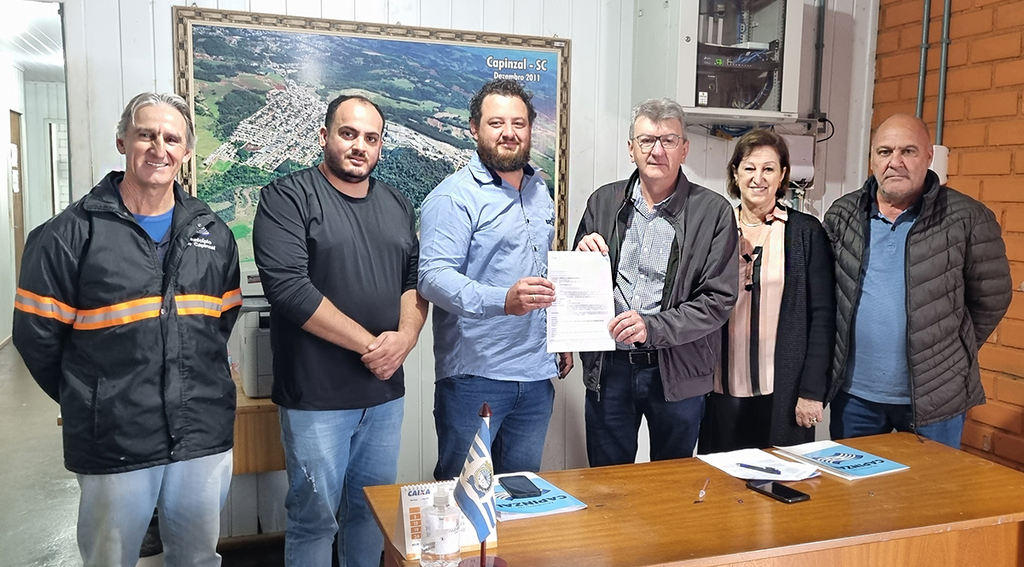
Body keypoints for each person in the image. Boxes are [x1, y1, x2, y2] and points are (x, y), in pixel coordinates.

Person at [13, 92, 240, 567]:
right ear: (122, 141)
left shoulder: (213, 233)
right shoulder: (65, 235)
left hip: (200, 431)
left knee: (198, 558)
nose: (159, 148)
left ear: (186, 151)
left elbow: (219, 324)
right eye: (146, 134)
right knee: (109, 559)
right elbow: (37, 341)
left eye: (172, 138)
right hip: (115, 436)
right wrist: (96, 398)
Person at [252, 95, 427, 567]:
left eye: (371, 138)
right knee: (314, 519)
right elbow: (289, 290)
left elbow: (414, 282)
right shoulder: (285, 198)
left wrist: (406, 339)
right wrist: (374, 345)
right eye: (348, 133)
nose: (359, 146)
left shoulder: (396, 203)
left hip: (384, 394)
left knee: (370, 513)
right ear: (324, 137)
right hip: (317, 396)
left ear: (380, 146)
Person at [824, 113, 1012, 449]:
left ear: (929, 156)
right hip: (855, 396)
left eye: (908, 151)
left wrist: (948, 348)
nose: (895, 162)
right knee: (854, 498)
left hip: (936, 397)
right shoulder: (843, 214)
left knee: (931, 497)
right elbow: (828, 295)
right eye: (884, 152)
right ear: (871, 159)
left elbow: (992, 298)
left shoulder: (968, 218)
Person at [418, 79, 572, 481]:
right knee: (463, 500)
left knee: (521, 499)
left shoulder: (540, 189)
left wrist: (562, 337)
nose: (509, 133)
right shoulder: (453, 197)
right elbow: (433, 277)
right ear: (474, 129)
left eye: (518, 123)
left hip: (537, 377)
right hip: (475, 377)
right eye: (496, 122)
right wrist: (502, 299)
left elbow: (543, 270)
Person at [574, 98, 738, 466]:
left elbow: (718, 300)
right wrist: (580, 251)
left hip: (677, 368)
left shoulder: (714, 212)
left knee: (673, 484)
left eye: (667, 140)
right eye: (646, 140)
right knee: (608, 483)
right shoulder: (603, 201)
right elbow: (577, 281)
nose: (656, 150)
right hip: (609, 367)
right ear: (631, 149)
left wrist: (651, 328)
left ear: (684, 148)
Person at [697, 129, 835, 453]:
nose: (758, 178)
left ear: (783, 174)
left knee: (780, 485)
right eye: (749, 168)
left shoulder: (806, 233)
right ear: (735, 173)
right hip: (720, 388)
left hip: (783, 393)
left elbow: (823, 317)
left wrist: (812, 391)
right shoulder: (715, 229)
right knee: (723, 488)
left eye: (769, 169)